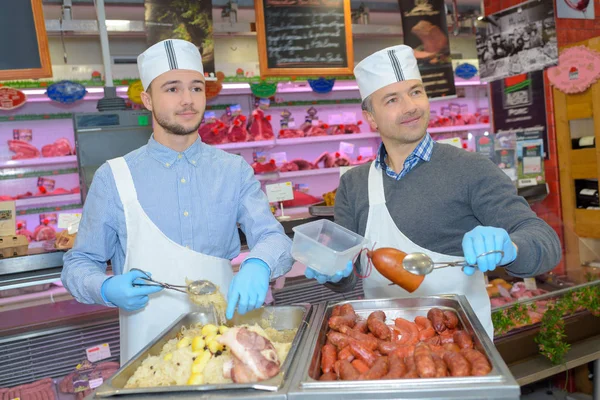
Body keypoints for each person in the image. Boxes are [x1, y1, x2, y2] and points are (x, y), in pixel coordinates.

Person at [304, 45, 561, 339]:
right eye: (392, 99)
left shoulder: (471, 168)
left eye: (416, 92)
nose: (411, 106)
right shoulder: (353, 183)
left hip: (461, 347)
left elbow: (545, 242)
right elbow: (348, 277)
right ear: (371, 117)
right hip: (384, 347)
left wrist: (512, 247)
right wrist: (333, 270)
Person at [61, 39, 293, 364]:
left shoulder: (233, 170)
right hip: (148, 357)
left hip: (225, 347)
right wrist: (104, 287)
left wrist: (259, 263)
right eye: (172, 89)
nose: (187, 100)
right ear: (146, 99)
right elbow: (79, 263)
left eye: (196, 88)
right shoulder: (114, 177)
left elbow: (273, 237)